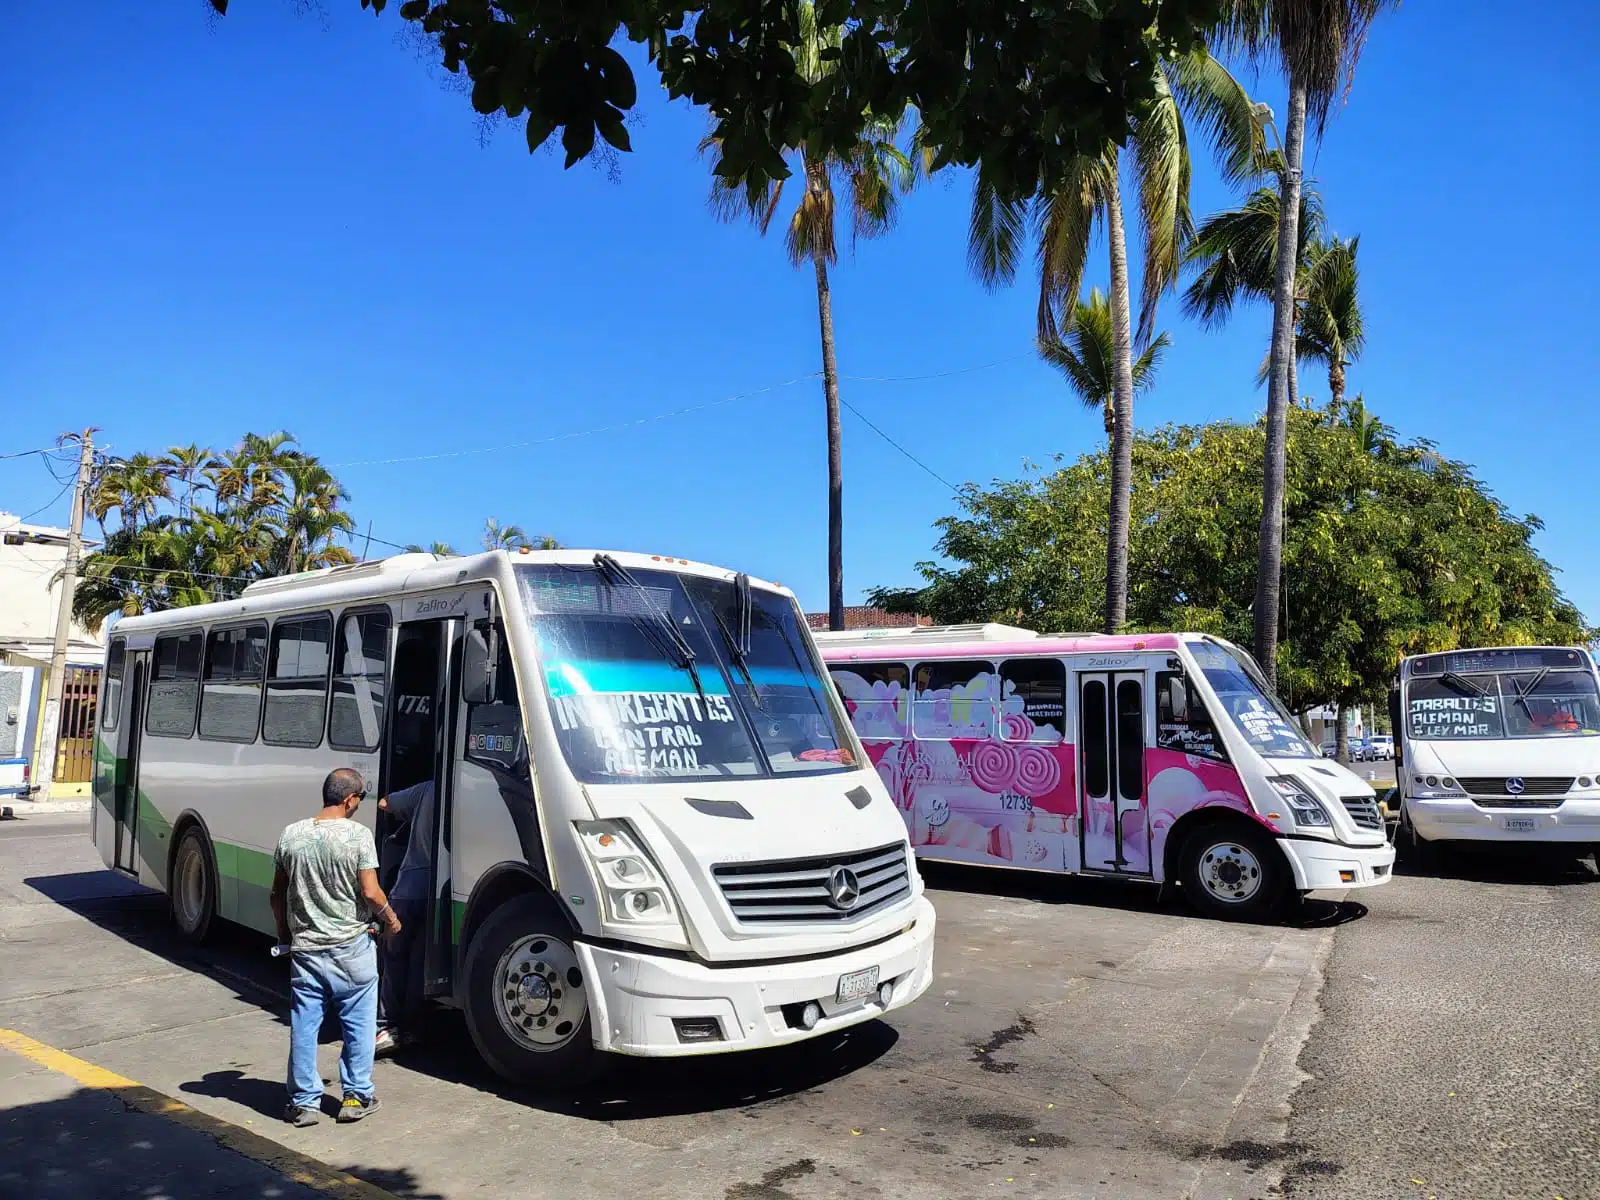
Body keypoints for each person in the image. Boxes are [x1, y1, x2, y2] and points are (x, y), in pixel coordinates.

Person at [270, 768, 402, 1127]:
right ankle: (356, 1097)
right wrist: (391, 919)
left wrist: (285, 936)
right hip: (352, 949)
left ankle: (303, 1104)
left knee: (304, 1025)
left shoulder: (291, 835)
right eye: (360, 797)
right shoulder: (359, 835)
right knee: (358, 1025)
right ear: (349, 799)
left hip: (307, 951)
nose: (359, 803)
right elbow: (371, 892)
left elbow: (277, 894)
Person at [373, 779, 434, 1057]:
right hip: (439, 891)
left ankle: (384, 1026)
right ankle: (413, 1027)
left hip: (409, 888)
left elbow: (384, 802)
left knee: (395, 960)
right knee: (419, 963)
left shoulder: (424, 790)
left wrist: (408, 813)